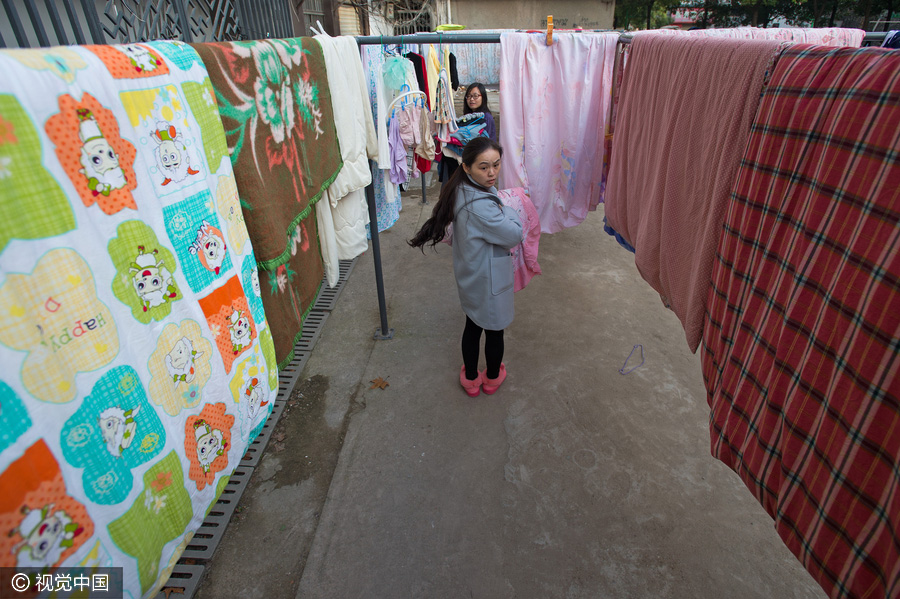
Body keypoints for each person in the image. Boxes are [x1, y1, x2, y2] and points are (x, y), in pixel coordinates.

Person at [409, 137, 523, 397]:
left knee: (473, 325)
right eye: (484, 167)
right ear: (467, 167)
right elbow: (513, 234)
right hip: (490, 281)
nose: (492, 172)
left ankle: (471, 379)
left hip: (472, 275)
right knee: (494, 331)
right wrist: (510, 209)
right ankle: (492, 378)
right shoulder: (483, 207)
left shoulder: (461, 189)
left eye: (496, 165)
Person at [438, 82, 496, 184]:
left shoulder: (486, 117)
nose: (471, 99)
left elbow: (489, 142)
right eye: (468, 96)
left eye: (475, 96)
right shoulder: (468, 117)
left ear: (483, 97)